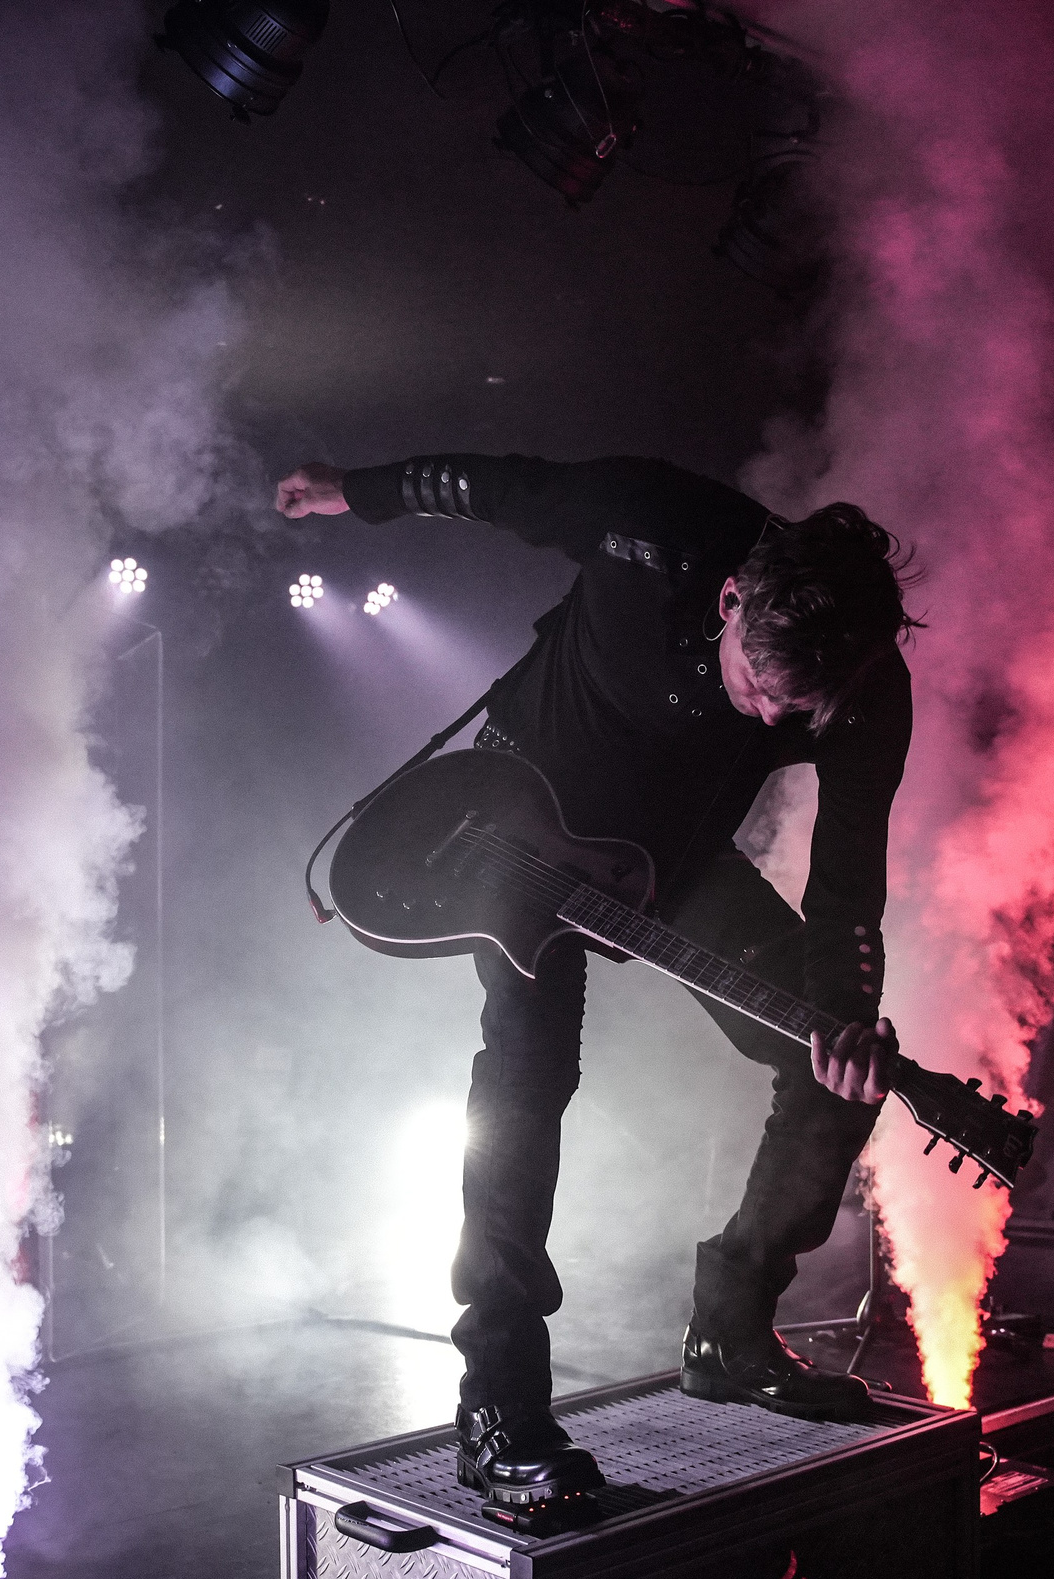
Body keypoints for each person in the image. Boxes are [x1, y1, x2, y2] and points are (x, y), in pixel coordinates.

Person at [278, 452, 917, 1512]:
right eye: (756, 684)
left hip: (673, 859)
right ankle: (499, 1413)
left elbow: (849, 886)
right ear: (727, 600)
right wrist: (360, 488)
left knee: (826, 1059)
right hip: (519, 828)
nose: (765, 719)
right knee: (528, 1081)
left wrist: (846, 1015)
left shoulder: (863, 692)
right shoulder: (653, 524)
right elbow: (488, 485)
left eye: (788, 712)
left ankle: (732, 1326)